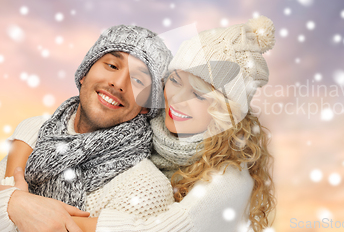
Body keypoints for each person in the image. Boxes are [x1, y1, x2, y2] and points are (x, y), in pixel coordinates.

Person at [2, 15, 277, 232]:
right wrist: (16, 195)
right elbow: (51, 124)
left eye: (199, 94)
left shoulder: (229, 180)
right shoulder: (151, 123)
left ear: (224, 113)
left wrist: (37, 212)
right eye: (177, 81)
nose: (178, 101)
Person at [0, 24, 173, 231]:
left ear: (146, 107)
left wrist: (14, 202)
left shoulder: (146, 188)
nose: (118, 84)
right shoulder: (34, 134)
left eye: (138, 80)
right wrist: (13, 203)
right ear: (84, 74)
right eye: (112, 66)